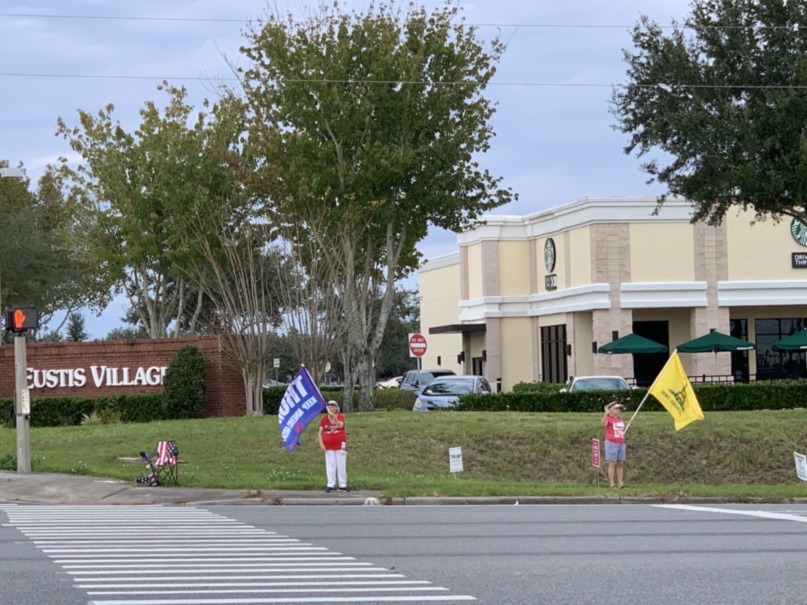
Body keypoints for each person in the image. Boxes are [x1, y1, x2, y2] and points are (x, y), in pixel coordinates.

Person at [318, 400, 349, 493]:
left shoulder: (340, 416)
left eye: (333, 406)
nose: (331, 408)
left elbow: (340, 425)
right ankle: (330, 484)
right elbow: (320, 433)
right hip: (329, 446)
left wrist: (334, 418)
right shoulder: (324, 419)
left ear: (336, 408)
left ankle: (342, 484)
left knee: (341, 465)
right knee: (330, 465)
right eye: (329, 406)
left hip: (340, 445)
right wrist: (321, 444)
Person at [601, 401, 626, 488]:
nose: (618, 410)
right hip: (612, 443)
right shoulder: (609, 419)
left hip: (621, 443)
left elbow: (621, 430)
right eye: (616, 408)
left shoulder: (620, 419)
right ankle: (612, 483)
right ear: (611, 410)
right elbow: (603, 424)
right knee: (612, 463)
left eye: (619, 409)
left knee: (620, 463)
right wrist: (606, 414)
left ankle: (620, 483)